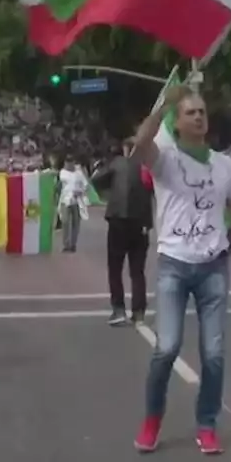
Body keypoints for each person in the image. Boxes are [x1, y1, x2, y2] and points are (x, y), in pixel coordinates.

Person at [127, 84, 231, 456]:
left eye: (202, 111)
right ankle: (152, 420)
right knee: (167, 348)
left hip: (213, 268)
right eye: (190, 113)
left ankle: (207, 424)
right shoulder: (165, 160)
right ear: (178, 122)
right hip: (174, 265)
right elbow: (139, 144)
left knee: (214, 354)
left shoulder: (225, 167)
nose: (199, 117)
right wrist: (165, 103)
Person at [91, 138, 154, 326]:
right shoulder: (148, 166)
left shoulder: (117, 163)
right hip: (141, 221)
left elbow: (96, 180)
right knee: (137, 270)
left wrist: (108, 193)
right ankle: (139, 311)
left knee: (115, 267)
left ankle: (118, 309)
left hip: (118, 218)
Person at [57, 158, 90, 252]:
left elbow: (86, 185)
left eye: (70, 163)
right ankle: (66, 244)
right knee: (65, 221)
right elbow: (61, 183)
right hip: (65, 200)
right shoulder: (63, 173)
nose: (68, 165)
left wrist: (80, 191)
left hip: (77, 201)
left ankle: (73, 244)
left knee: (76, 223)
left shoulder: (79, 174)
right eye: (67, 163)